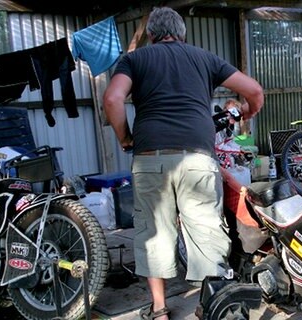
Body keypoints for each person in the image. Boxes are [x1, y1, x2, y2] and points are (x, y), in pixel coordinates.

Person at [102, 6, 264, 320]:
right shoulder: (205, 58)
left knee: (154, 233)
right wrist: (247, 112)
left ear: (150, 35)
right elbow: (254, 90)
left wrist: (124, 137)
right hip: (198, 158)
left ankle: (160, 310)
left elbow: (112, 99)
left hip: (150, 157)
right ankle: (213, 306)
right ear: (183, 33)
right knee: (206, 233)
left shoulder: (134, 59)